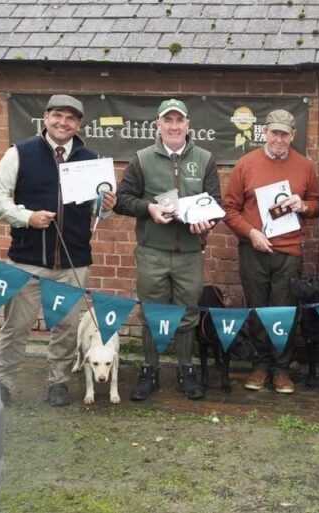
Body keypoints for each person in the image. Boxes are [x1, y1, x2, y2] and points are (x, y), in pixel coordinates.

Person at [0, 94, 116, 407]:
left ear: (79, 124)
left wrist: (107, 206)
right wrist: (26, 217)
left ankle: (58, 382)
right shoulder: (20, 152)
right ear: (45, 117)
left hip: (73, 261)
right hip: (26, 260)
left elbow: (99, 212)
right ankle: (3, 383)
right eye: (58, 115)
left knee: (65, 327)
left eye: (71, 118)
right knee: (15, 327)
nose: (63, 122)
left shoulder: (91, 158)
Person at [114, 98, 220, 401]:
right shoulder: (142, 158)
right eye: (168, 121)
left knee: (187, 314)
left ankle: (186, 371)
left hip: (189, 253)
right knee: (152, 313)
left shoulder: (205, 159)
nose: (174, 126)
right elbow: (123, 200)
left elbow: (216, 202)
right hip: (152, 251)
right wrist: (149, 207)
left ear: (188, 125)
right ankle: (150, 371)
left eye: (179, 121)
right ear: (158, 125)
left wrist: (207, 223)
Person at [223, 109, 319, 394]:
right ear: (264, 133)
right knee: (256, 308)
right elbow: (229, 209)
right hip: (254, 249)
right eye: (274, 133)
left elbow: (316, 204)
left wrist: (303, 206)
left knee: (284, 311)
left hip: (289, 251)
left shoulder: (305, 167)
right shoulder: (246, 164)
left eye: (285, 134)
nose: (279, 139)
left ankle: (281, 368)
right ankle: (260, 365)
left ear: (293, 136)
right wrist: (250, 232)